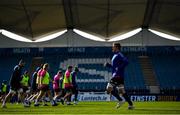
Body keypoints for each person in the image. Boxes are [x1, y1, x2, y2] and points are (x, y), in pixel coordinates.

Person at [105, 43, 134, 109]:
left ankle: (120, 100)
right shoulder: (115, 55)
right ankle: (131, 105)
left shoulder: (119, 54)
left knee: (108, 89)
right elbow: (114, 67)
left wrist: (119, 68)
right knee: (122, 91)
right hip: (118, 75)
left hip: (117, 75)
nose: (112, 48)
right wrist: (109, 65)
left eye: (113, 47)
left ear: (117, 47)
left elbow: (126, 61)